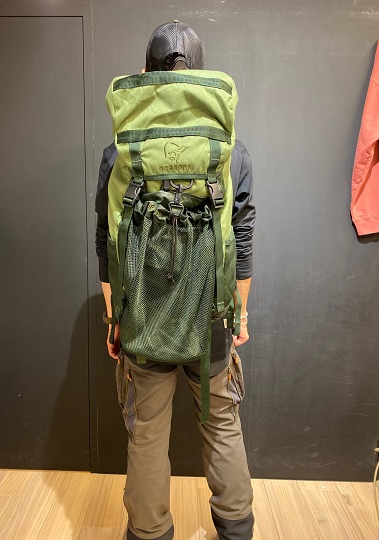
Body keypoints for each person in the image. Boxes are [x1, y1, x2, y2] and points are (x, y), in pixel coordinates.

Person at [95, 20, 256, 540]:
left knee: (147, 433)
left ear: (148, 74)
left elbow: (106, 241)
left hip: (143, 315)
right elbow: (242, 237)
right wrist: (239, 312)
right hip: (210, 313)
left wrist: (114, 318)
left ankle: (149, 533)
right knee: (222, 425)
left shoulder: (120, 150)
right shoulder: (231, 150)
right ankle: (236, 530)